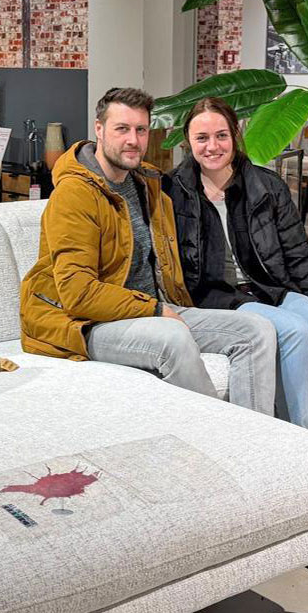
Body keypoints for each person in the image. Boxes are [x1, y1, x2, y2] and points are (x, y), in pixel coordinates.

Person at [20, 87, 279, 416]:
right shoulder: (75, 194)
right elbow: (77, 293)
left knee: (256, 330)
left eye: (141, 130)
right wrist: (155, 309)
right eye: (122, 129)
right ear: (99, 129)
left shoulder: (148, 182)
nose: (133, 140)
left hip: (152, 308)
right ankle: (214, 434)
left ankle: (253, 435)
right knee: (173, 337)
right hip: (85, 322)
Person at [168, 97, 308, 451]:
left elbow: (299, 254)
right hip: (221, 296)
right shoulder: (172, 192)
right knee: (295, 331)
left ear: (235, 135)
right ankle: (299, 443)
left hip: (270, 287)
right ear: (188, 142)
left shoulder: (265, 186)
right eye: (201, 138)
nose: (212, 146)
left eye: (221, 135)